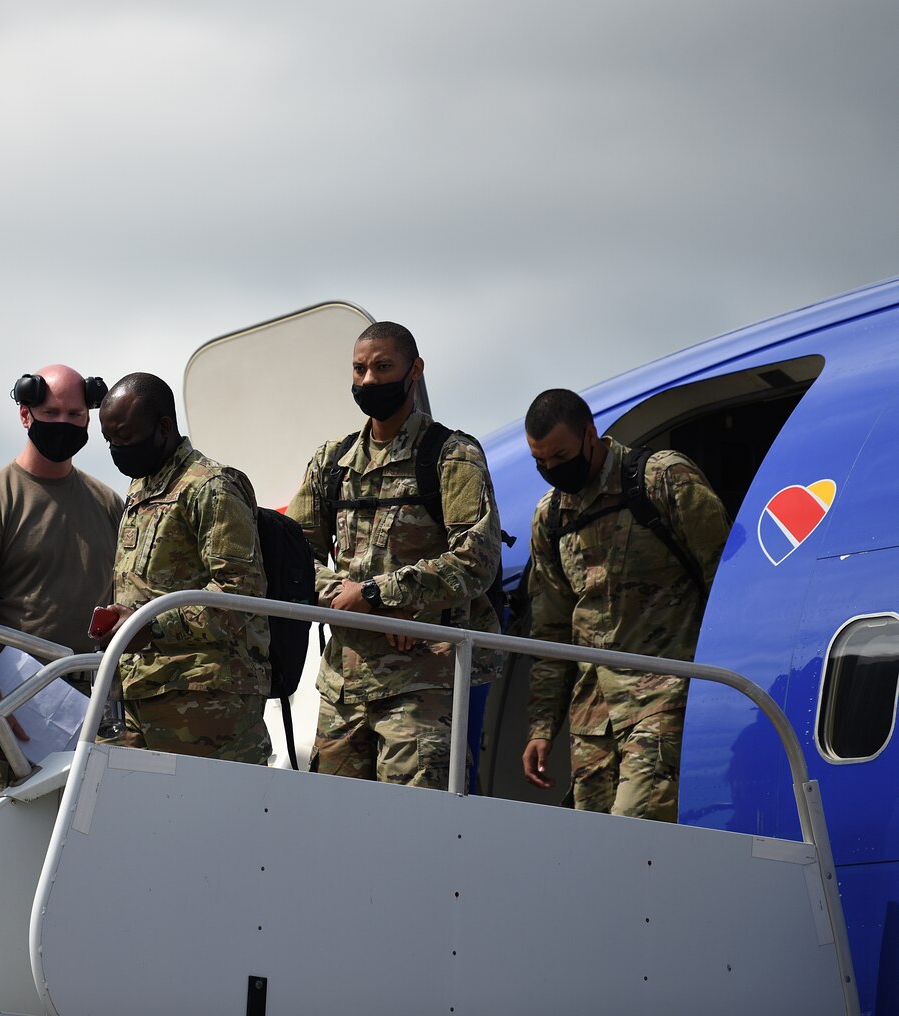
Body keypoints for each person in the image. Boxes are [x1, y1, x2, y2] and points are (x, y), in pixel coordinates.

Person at [286, 321, 504, 789]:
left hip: (422, 685)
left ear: (414, 370)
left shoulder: (453, 456)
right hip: (342, 689)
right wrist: (350, 601)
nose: (368, 380)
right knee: (332, 830)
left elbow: (476, 560)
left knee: (415, 837)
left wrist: (378, 595)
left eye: (383, 367)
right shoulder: (332, 461)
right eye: (359, 369)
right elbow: (294, 555)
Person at [520, 388, 727, 821]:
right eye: (540, 462)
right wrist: (542, 728)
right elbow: (552, 631)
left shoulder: (661, 480)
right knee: (595, 855)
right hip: (592, 720)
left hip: (663, 695)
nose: (552, 470)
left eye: (559, 456)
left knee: (634, 831)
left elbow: (725, 582)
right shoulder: (550, 519)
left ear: (589, 434)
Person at [0, 364, 123, 818]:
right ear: (25, 414)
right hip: (8, 720)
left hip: (87, 717)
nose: (64, 423)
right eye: (50, 412)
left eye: (74, 413)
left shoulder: (108, 504)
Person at [93, 372, 271, 765]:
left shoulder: (211, 486)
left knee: (212, 822)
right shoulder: (142, 487)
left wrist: (152, 625)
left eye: (125, 437)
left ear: (164, 426)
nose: (117, 449)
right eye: (109, 441)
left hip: (206, 698)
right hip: (139, 692)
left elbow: (238, 593)